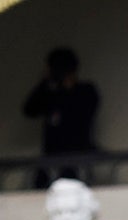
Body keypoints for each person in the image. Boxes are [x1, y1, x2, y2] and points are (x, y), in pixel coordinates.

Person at [22, 47, 101, 186]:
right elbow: (29, 110)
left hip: (77, 158)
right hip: (50, 159)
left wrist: (62, 87)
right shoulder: (50, 93)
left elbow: (80, 115)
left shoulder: (86, 91)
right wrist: (45, 83)